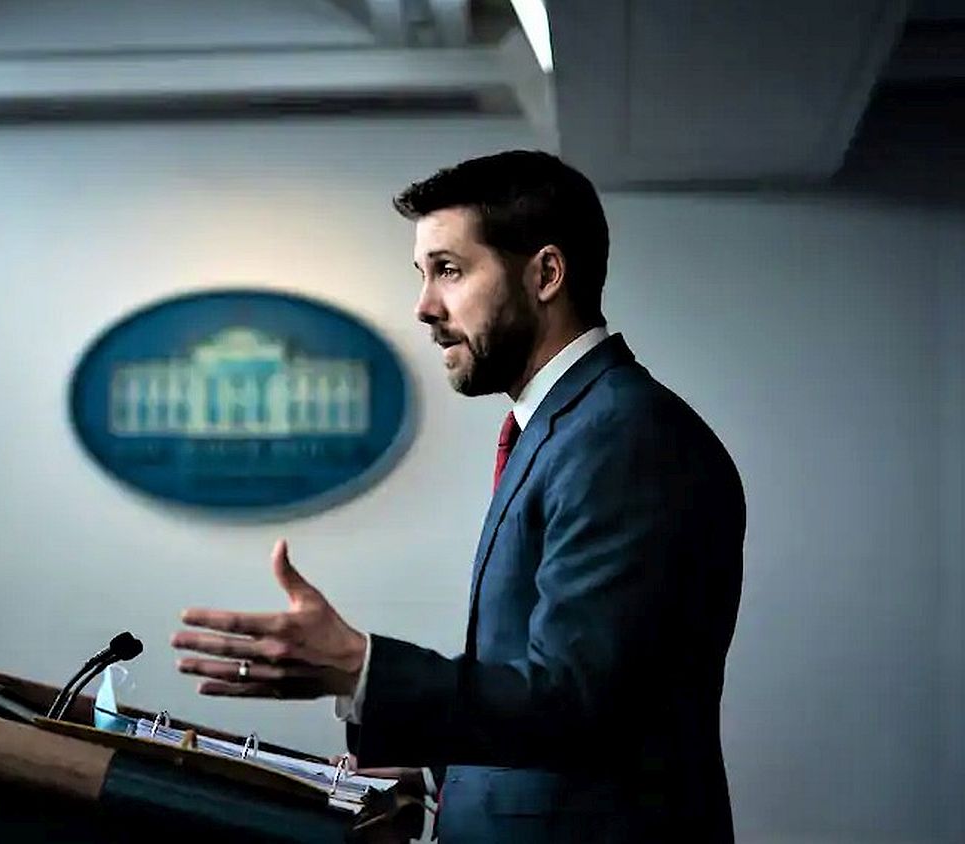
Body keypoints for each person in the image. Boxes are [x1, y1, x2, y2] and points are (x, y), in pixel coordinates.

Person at [170, 149, 745, 842]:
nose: (423, 307)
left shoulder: (625, 438)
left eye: (450, 270)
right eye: (422, 274)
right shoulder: (572, 425)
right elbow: (549, 687)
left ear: (546, 275)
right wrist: (442, 773)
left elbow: (580, 701)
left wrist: (361, 666)